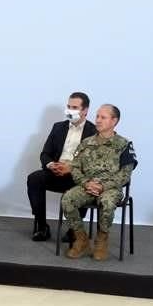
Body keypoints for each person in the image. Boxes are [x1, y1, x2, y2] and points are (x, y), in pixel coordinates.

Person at [61, 104, 137, 261]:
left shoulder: (124, 144)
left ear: (114, 120)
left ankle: (102, 240)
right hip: (87, 186)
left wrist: (103, 186)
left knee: (107, 202)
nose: (98, 120)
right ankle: (81, 239)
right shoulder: (86, 143)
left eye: (103, 117)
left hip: (111, 189)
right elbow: (75, 168)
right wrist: (86, 183)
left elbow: (125, 174)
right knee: (67, 199)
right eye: (97, 116)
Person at [27, 91, 97, 242]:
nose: (70, 110)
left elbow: (92, 163)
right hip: (56, 172)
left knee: (84, 184)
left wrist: (71, 167)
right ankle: (42, 226)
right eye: (68, 106)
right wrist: (52, 165)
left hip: (77, 175)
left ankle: (74, 228)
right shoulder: (58, 127)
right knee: (34, 178)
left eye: (75, 107)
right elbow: (45, 154)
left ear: (85, 110)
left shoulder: (93, 132)